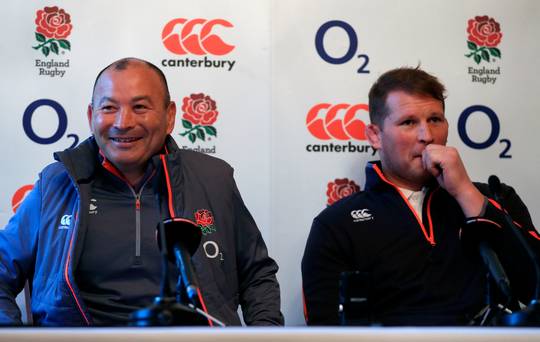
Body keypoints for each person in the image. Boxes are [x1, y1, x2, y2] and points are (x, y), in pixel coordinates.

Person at [0, 57, 283, 326]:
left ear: (169, 116)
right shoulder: (57, 182)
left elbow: (256, 275)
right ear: (91, 115)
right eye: (109, 108)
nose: (123, 122)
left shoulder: (213, 178)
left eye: (140, 107)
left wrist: (266, 336)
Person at [301, 67, 540, 326]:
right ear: (374, 136)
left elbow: (535, 286)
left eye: (435, 120)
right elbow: (325, 330)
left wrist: (465, 192)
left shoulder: (495, 196)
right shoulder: (337, 224)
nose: (427, 136)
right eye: (409, 122)